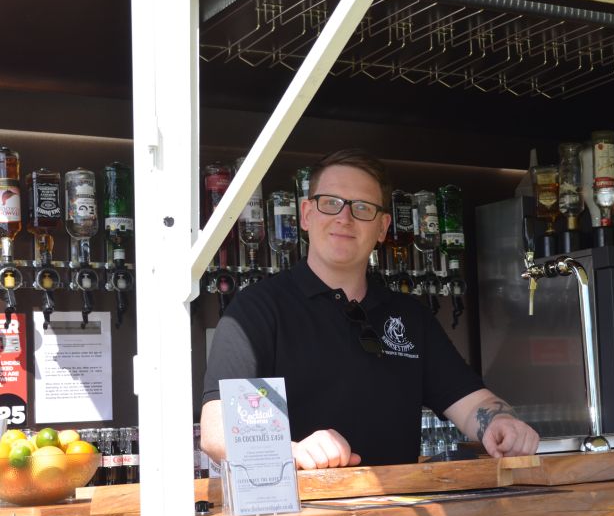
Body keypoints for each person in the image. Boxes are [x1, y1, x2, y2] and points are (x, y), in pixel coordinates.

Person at [200, 149, 539, 469]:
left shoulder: (409, 317)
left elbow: (471, 404)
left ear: (382, 227)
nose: (345, 218)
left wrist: (502, 421)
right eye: (330, 203)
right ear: (306, 214)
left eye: (362, 207)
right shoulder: (258, 310)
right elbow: (218, 430)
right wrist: (295, 452)